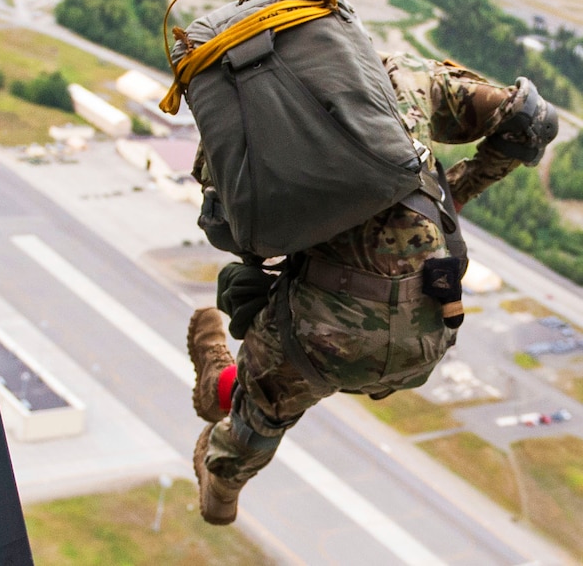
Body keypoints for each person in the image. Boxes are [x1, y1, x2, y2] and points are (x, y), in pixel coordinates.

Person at [186, 51, 559, 525]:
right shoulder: (405, 76)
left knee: (259, 369)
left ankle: (223, 479)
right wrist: (449, 197)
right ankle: (226, 387)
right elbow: (534, 122)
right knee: (283, 323)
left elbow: (222, 224)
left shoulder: (255, 105)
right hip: (429, 331)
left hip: (319, 340)